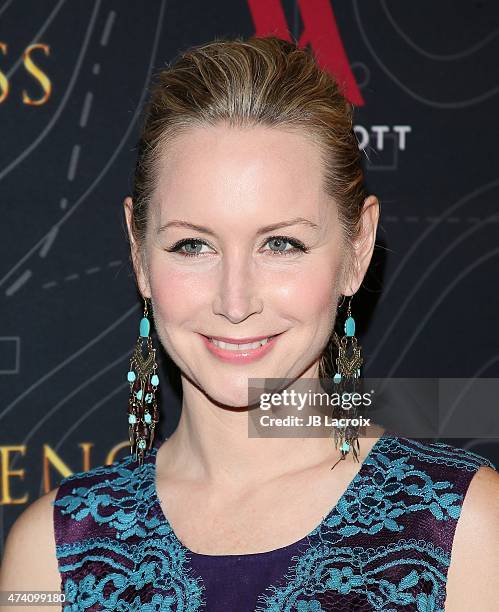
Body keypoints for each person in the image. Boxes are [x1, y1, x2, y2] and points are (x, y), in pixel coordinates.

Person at [1, 35, 498, 611]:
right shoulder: (53, 553)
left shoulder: (464, 532)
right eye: (192, 245)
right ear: (139, 251)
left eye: (281, 243)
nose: (235, 302)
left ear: (357, 248)